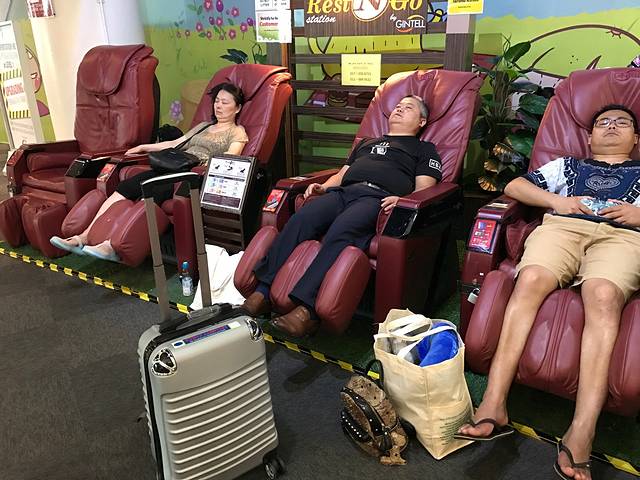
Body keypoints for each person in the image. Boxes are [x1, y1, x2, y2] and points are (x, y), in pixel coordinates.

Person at [454, 105, 640, 480]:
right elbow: (514, 187)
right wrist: (557, 201)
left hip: (623, 236)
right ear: (589, 136)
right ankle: (494, 403)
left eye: (622, 123)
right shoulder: (568, 166)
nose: (611, 126)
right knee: (531, 279)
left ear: (635, 139)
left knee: (603, 294)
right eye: (602, 122)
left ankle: (582, 430)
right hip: (562, 227)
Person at [242, 95, 443, 337]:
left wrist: (404, 200)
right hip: (343, 192)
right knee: (301, 219)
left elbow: (425, 188)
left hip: (376, 198)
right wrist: (323, 187)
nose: (399, 109)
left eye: (408, 107)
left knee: (343, 229)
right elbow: (342, 174)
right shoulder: (366, 143)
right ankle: (263, 292)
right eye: (398, 105)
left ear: (422, 121)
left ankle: (307, 312)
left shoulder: (424, 149)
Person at [50, 82, 248, 262]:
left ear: (237, 107)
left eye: (225, 102)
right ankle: (83, 236)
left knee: (152, 191)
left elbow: (229, 159)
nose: (218, 106)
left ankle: (111, 245)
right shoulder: (204, 126)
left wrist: (204, 167)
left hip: (191, 175)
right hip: (172, 166)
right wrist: (143, 147)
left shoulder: (237, 132)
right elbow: (176, 143)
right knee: (125, 188)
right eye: (216, 101)